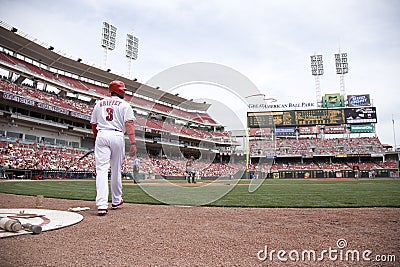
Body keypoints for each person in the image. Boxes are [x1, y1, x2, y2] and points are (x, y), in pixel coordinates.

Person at [91, 80, 136, 216]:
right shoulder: (125, 105)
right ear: (121, 91)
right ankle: (116, 200)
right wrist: (133, 143)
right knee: (116, 170)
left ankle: (101, 205)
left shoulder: (99, 103)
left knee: (102, 171)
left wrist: (97, 139)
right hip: (117, 135)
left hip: (102, 134)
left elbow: (94, 124)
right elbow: (128, 124)